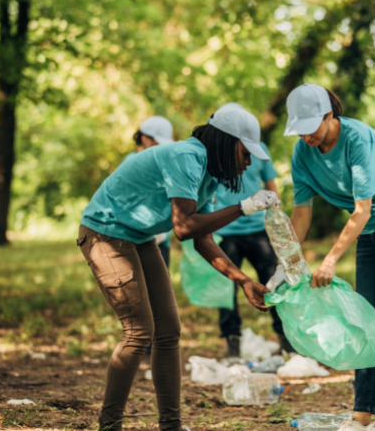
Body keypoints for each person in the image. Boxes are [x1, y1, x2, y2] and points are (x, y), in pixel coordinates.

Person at [77, 103, 279, 431]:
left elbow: (203, 239)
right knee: (139, 331)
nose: (248, 161)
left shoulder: (210, 176)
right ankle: (109, 425)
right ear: (228, 143)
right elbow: (184, 227)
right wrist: (244, 207)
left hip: (139, 237)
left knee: (168, 331)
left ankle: (171, 426)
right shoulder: (187, 157)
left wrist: (243, 281)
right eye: (245, 152)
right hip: (104, 232)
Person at [284, 84, 375, 431]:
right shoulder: (302, 154)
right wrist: (285, 261)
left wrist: (330, 259)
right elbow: (301, 213)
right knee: (365, 322)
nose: (306, 136)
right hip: (368, 235)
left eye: (311, 126)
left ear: (329, 115)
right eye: (299, 129)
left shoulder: (357, 138)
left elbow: (362, 210)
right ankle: (361, 415)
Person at [214, 140, 295, 357]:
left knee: (274, 283)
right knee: (226, 290)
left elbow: (270, 181)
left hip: (258, 228)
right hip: (227, 231)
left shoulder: (259, 148)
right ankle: (232, 344)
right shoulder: (217, 151)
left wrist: (276, 209)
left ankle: (287, 341)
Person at [126, 116, 175, 268]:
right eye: (158, 143)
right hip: (134, 242)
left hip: (160, 243)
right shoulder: (130, 163)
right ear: (145, 139)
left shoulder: (164, 162)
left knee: (162, 290)